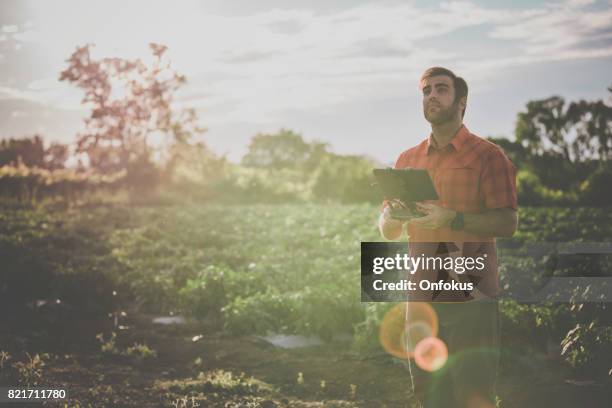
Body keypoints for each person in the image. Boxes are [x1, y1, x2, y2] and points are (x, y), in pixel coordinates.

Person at [378, 67, 518, 407]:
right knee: (429, 393)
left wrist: (452, 219)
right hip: (422, 293)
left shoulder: (488, 156)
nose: (431, 96)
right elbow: (387, 228)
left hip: (470, 290)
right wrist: (392, 215)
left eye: (441, 89)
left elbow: (507, 222)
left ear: (461, 102)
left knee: (473, 390)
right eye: (426, 91)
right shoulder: (407, 159)